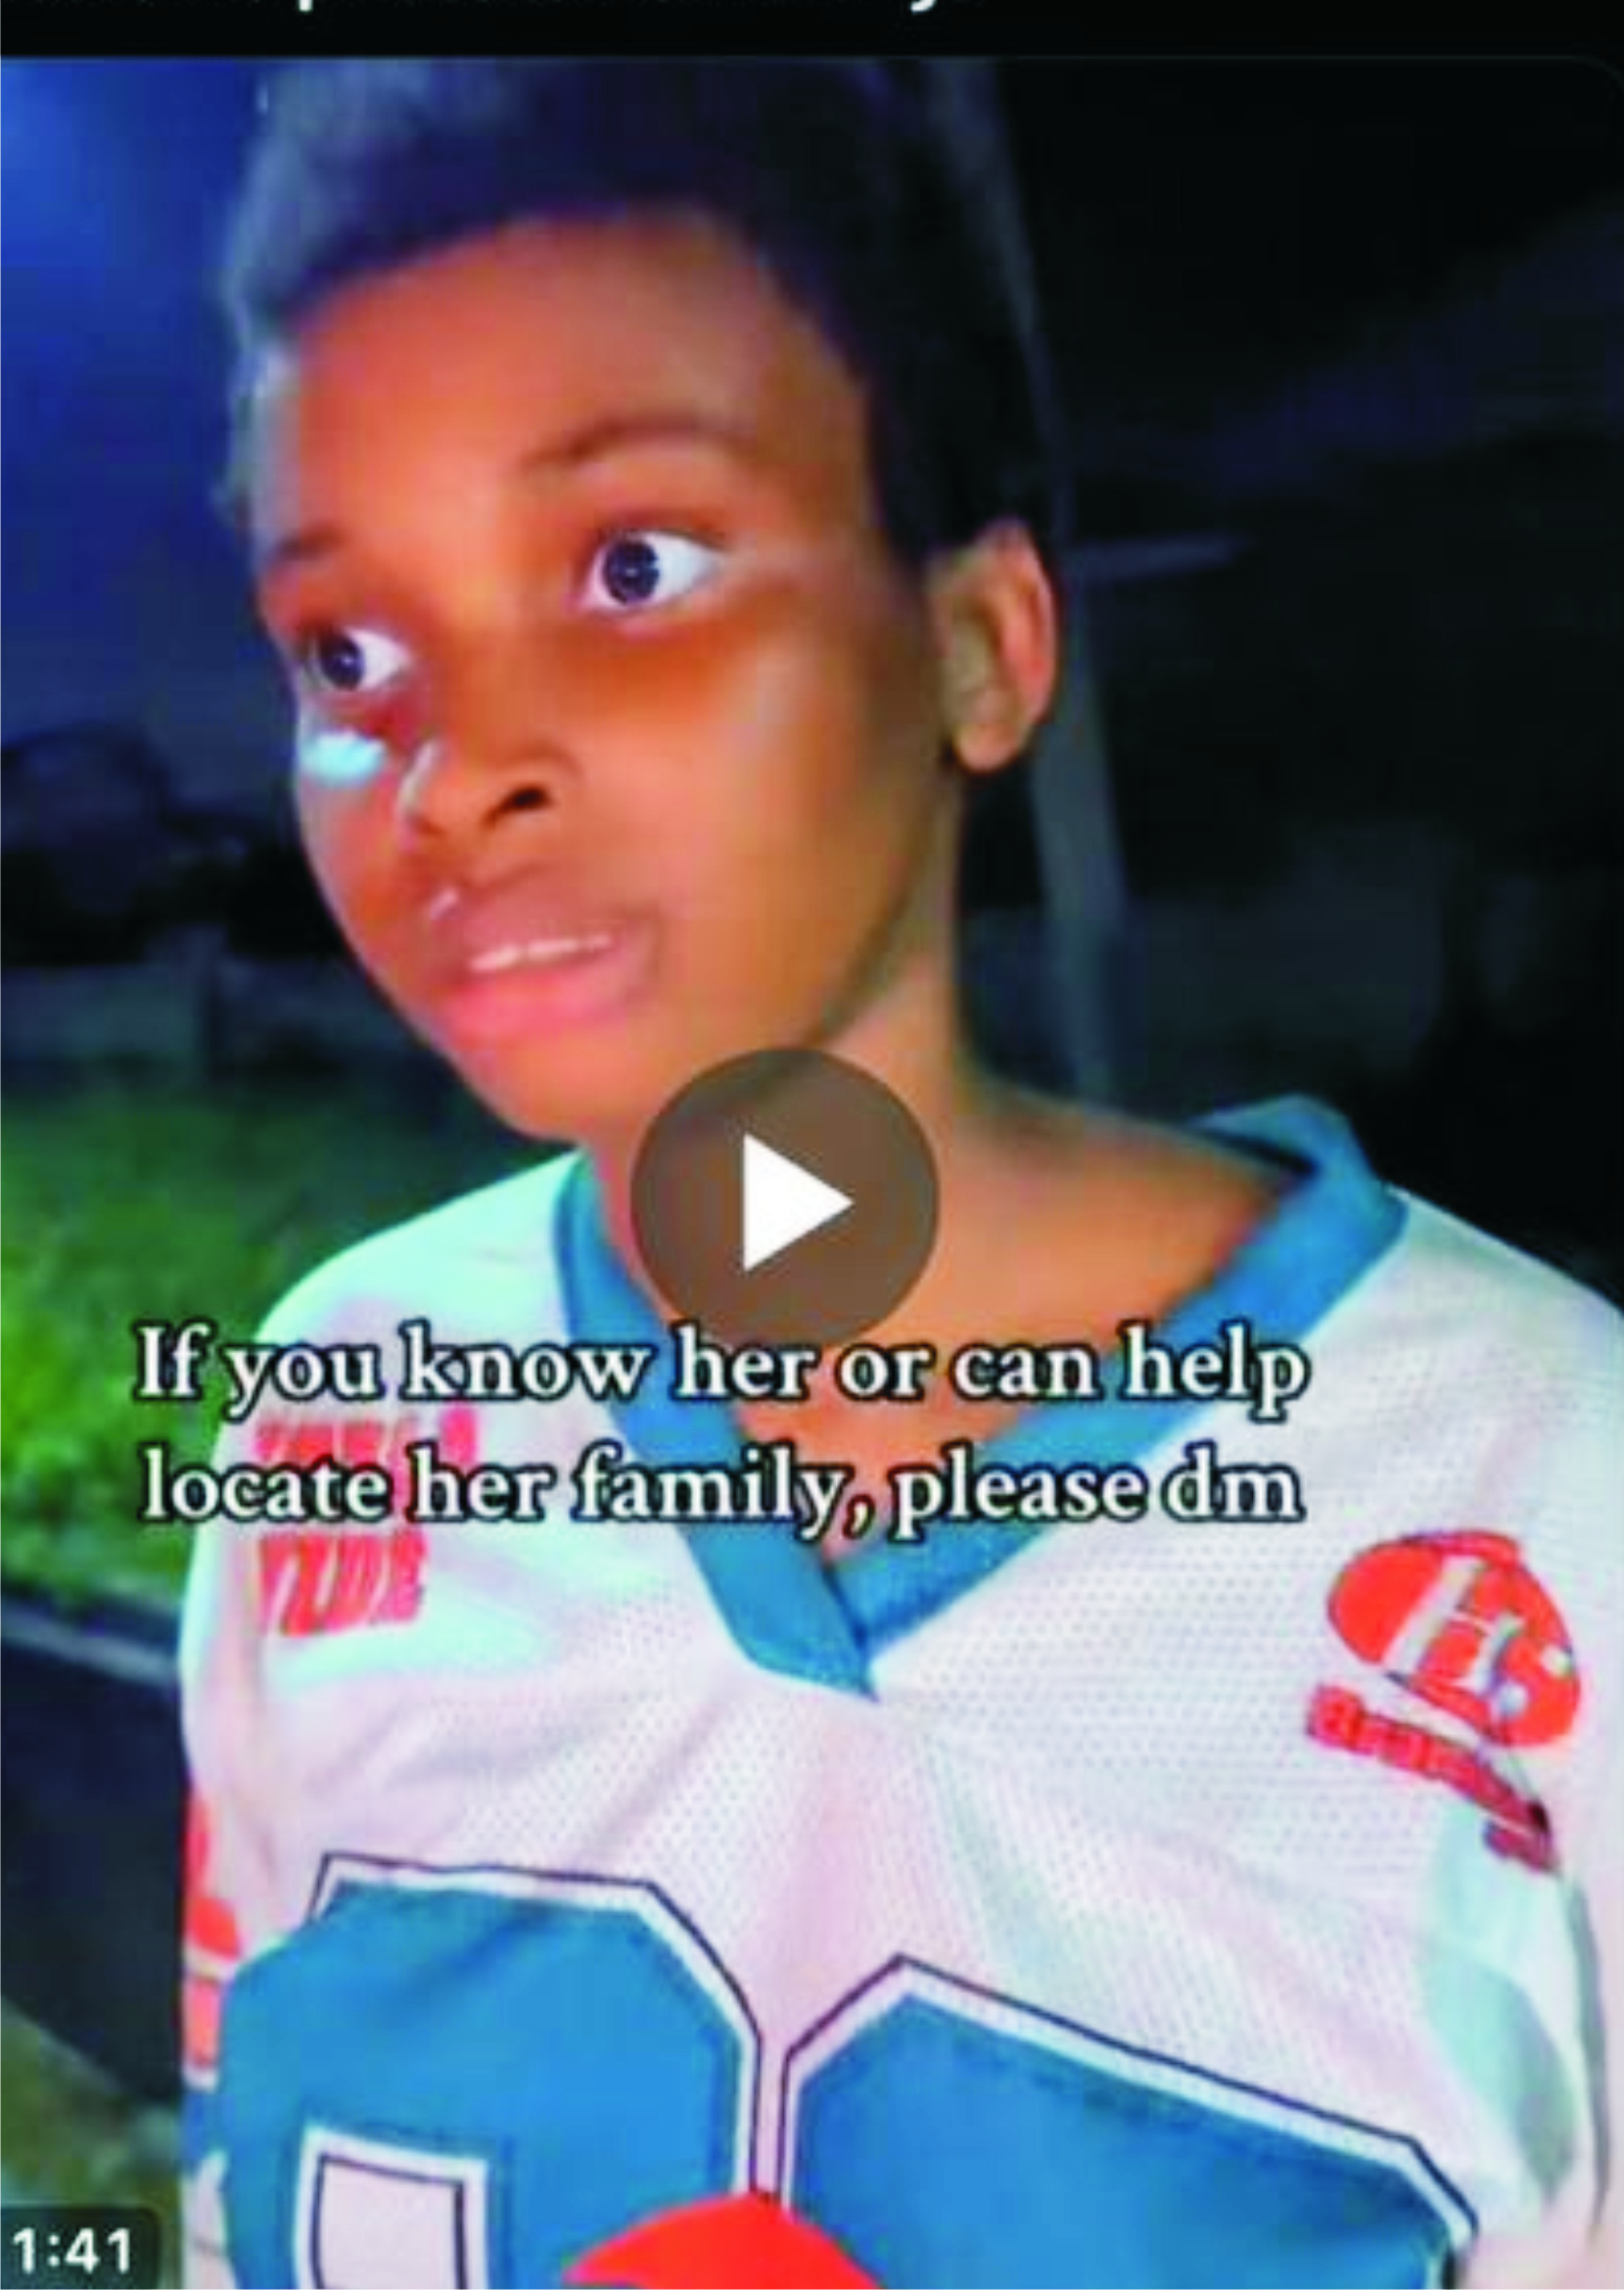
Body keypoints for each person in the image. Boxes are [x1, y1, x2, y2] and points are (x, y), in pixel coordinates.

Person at [179, 57, 1621, 2289]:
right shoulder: (339, 1406)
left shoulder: (1544, 1484)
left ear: (978, 645)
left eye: (630, 566)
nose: (449, 774)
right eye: (344, 649)